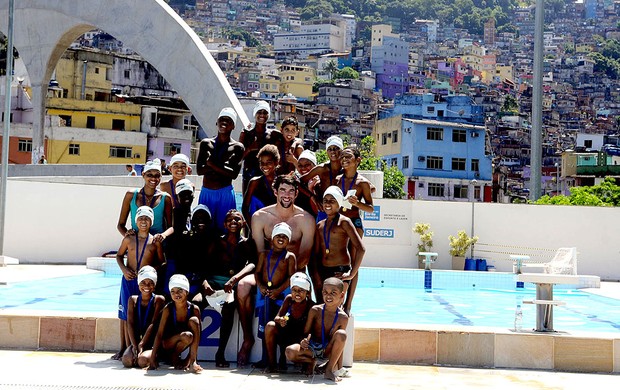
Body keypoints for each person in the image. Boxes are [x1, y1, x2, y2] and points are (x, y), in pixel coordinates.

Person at [236, 174, 315, 366]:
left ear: (296, 193)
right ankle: (248, 338)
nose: (286, 195)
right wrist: (266, 281)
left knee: (299, 290)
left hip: (293, 273)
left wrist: (282, 282)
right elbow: (259, 253)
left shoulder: (306, 219)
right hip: (265, 272)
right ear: (275, 191)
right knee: (243, 286)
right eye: (282, 190)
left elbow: (303, 258)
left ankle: (299, 350)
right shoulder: (260, 217)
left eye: (290, 191)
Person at [193, 209, 257, 368]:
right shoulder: (216, 241)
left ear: (243, 223)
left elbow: (252, 264)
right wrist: (205, 283)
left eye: (237, 219)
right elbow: (203, 265)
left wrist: (235, 279)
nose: (233, 222)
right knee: (195, 304)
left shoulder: (247, 243)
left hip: (231, 286)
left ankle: (220, 353)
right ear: (224, 224)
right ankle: (192, 354)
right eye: (230, 219)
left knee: (229, 307)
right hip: (212, 284)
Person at [114, 206, 165, 360]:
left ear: (151, 222)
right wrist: (124, 269)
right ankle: (123, 347)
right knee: (124, 315)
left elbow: (162, 262)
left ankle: (139, 346)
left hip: (145, 283)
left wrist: (149, 273)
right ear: (136, 221)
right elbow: (118, 256)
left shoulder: (154, 241)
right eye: (141, 218)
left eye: (147, 219)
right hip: (129, 279)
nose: (144, 221)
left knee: (140, 314)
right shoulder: (129, 238)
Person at [312, 186, 365, 314]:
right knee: (323, 308)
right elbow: (317, 254)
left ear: (339, 203)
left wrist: (352, 273)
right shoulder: (320, 225)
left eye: (332, 200)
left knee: (334, 307)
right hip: (324, 270)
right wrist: (316, 275)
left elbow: (361, 249)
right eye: (325, 200)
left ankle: (347, 308)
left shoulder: (344, 222)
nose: (328, 203)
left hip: (340, 270)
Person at [285, 277, 349, 382]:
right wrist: (304, 341)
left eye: (333, 293)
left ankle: (328, 371)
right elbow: (306, 332)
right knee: (289, 351)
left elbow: (340, 343)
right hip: (312, 348)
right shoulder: (315, 310)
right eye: (325, 292)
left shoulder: (343, 317)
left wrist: (337, 366)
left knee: (342, 334)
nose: (328, 296)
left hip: (327, 350)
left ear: (341, 295)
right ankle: (311, 361)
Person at [335, 146, 374, 314]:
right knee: (339, 261)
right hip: (338, 222)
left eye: (348, 157)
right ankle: (336, 300)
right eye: (342, 156)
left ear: (357, 160)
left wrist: (357, 203)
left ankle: (348, 304)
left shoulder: (362, 183)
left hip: (354, 222)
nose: (344, 159)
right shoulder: (337, 179)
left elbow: (370, 208)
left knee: (353, 265)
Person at [254, 222, 297, 367]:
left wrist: (278, 290)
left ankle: (282, 359)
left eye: (285, 237)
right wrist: (260, 286)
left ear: (289, 241)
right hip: (265, 295)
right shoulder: (264, 255)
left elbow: (292, 277)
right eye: (278, 235)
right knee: (264, 327)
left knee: (281, 325)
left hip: (281, 297)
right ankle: (264, 358)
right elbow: (258, 273)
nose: (281, 238)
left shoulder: (290, 256)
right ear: (271, 238)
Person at [196, 107, 244, 233]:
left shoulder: (238, 147)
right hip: (207, 192)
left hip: (225, 193)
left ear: (233, 126)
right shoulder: (206, 143)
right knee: (204, 229)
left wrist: (211, 164)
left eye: (228, 120)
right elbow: (200, 170)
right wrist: (223, 166)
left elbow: (233, 174)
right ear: (216, 122)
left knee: (227, 230)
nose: (224, 123)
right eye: (222, 119)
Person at [148, 274, 203, 373]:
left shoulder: (194, 309)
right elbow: (159, 334)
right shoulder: (168, 309)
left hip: (183, 342)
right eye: (173, 291)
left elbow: (198, 336)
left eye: (180, 290)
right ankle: (173, 358)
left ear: (186, 291)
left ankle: (192, 361)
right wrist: (153, 357)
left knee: (193, 323)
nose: (176, 294)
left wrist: (188, 360)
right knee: (187, 335)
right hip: (167, 344)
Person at [264, 272, 314, 373]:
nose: (297, 294)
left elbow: (312, 330)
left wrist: (305, 341)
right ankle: (272, 365)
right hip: (286, 335)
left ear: (307, 293)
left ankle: (308, 362)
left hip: (300, 339)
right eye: (294, 290)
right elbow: (276, 317)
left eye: (301, 291)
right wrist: (280, 320)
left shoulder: (311, 306)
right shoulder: (289, 299)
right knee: (270, 326)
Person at [116, 158, 173, 241]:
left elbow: (171, 227)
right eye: (149, 175)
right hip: (137, 247)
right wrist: (130, 239)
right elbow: (120, 225)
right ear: (143, 175)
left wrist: (163, 235)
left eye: (157, 175)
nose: (153, 178)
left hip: (157, 247)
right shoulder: (131, 195)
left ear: (160, 176)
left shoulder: (165, 198)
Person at [122, 266, 166, 368]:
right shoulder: (132, 300)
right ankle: (137, 351)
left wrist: (142, 344)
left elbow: (153, 324)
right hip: (136, 341)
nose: (146, 286)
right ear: (138, 285)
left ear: (154, 285)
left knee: (142, 361)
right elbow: (130, 323)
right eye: (143, 282)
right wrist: (134, 345)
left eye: (150, 283)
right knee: (127, 361)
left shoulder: (159, 300)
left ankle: (154, 355)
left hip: (151, 342)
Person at [239, 100, 283, 193]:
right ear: (255, 114)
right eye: (259, 112)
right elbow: (239, 158)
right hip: (249, 175)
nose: (262, 115)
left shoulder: (274, 134)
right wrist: (250, 148)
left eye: (265, 112)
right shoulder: (246, 133)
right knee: (248, 204)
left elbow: (290, 138)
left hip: (266, 175)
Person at [299, 135, 344, 221]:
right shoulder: (322, 169)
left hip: (342, 213)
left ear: (342, 150)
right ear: (326, 152)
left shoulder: (346, 169)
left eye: (336, 148)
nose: (333, 152)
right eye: (330, 149)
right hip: (324, 212)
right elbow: (298, 181)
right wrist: (313, 197)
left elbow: (369, 187)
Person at [241, 144, 280, 224]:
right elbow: (245, 208)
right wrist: (252, 228)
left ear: (276, 162)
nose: (264, 166)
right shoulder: (254, 182)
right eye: (261, 163)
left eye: (268, 162)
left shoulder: (282, 182)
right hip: (258, 225)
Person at [294, 150, 319, 217]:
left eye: (307, 165)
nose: (303, 168)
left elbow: (317, 211)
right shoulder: (296, 181)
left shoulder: (319, 183)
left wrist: (311, 189)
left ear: (315, 166)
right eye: (300, 165)